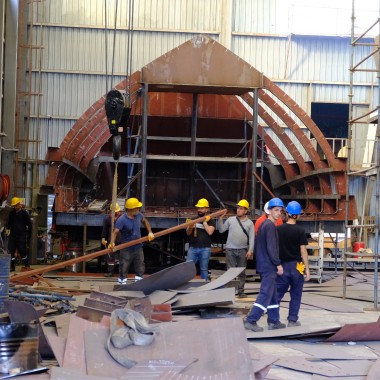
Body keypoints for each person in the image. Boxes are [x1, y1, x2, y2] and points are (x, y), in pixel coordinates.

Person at [244, 197, 286, 332]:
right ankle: (251, 320)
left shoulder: (263, 225)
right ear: (270, 211)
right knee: (266, 293)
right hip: (269, 266)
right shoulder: (270, 226)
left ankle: (274, 321)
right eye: (276, 210)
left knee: (273, 293)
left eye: (280, 210)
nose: (279, 213)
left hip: (264, 264)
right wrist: (278, 264)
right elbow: (271, 248)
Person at [274, 201, 310, 327]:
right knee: (296, 294)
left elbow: (275, 249)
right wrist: (307, 270)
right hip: (297, 267)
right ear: (297, 215)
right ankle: (292, 320)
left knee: (277, 295)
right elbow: (303, 251)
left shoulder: (278, 229)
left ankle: (274, 320)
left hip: (282, 267)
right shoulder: (300, 230)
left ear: (287, 213)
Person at [109, 197, 154, 285]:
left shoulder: (139, 215)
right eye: (137, 208)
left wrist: (150, 232)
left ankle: (139, 282)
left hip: (138, 247)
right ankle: (122, 284)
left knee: (140, 265)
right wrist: (112, 242)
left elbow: (145, 221)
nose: (138, 209)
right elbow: (115, 231)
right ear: (131, 209)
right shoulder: (122, 219)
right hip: (126, 248)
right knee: (124, 267)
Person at [218, 199, 254, 297]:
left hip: (243, 250)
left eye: (241, 209)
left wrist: (250, 250)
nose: (238, 210)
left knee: (242, 272)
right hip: (230, 249)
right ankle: (229, 291)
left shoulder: (250, 223)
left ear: (246, 211)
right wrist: (220, 219)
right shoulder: (230, 220)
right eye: (238, 208)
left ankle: (241, 291)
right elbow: (221, 230)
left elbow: (251, 238)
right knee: (230, 271)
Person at [186, 198, 215, 281]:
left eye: (201, 208)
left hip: (205, 249)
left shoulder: (211, 221)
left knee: (204, 270)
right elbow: (188, 233)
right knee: (187, 269)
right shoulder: (193, 219)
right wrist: (190, 227)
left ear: (207, 209)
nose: (199, 210)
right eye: (198, 208)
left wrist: (204, 222)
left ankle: (204, 287)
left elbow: (210, 232)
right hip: (193, 248)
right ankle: (186, 287)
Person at [5, 197, 32, 271]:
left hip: (21, 236)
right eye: (14, 206)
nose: (15, 207)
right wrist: (7, 229)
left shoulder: (24, 213)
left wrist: (29, 235)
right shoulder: (12, 213)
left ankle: (27, 265)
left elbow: (29, 225)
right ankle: (12, 266)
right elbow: (8, 223)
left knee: (22, 251)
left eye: (16, 205)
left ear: (19, 204)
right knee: (11, 251)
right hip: (13, 235)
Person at [101, 202, 122, 277]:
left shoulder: (122, 218)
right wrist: (103, 238)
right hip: (111, 241)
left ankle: (122, 273)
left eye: (117, 212)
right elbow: (105, 229)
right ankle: (110, 272)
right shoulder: (108, 219)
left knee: (122, 257)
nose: (116, 213)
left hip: (121, 240)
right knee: (110, 257)